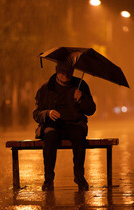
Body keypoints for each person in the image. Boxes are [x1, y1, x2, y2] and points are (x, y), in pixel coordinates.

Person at [33, 60, 96, 191]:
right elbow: (36, 114)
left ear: (73, 71)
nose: (66, 75)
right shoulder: (46, 88)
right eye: (62, 71)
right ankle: (48, 179)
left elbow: (91, 110)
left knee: (79, 135)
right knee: (50, 137)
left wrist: (81, 100)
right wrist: (48, 113)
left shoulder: (80, 85)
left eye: (69, 71)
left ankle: (79, 176)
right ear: (56, 69)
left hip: (75, 124)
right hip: (53, 126)